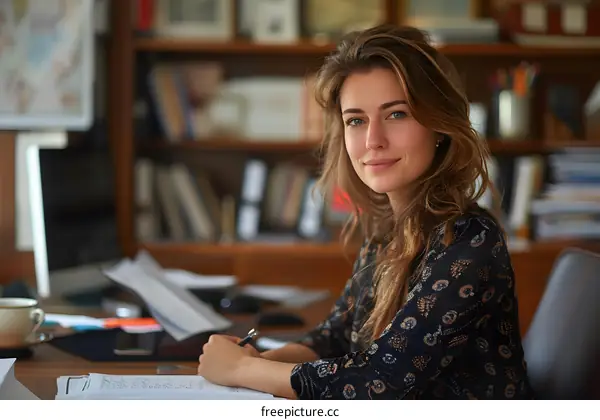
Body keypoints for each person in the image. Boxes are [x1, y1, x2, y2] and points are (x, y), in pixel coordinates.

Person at [197, 24, 534, 400]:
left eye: (396, 114)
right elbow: (334, 338)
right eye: (356, 120)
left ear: (439, 125)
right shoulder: (387, 233)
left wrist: (243, 369)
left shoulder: (471, 241)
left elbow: (382, 380)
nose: (373, 140)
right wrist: (256, 363)